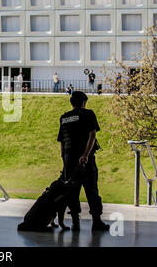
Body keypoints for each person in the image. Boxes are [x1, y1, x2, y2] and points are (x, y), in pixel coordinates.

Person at [57, 91, 110, 231]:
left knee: (72, 191)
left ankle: (75, 222)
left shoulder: (64, 118)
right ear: (83, 102)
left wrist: (64, 161)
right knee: (91, 189)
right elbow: (92, 135)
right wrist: (86, 155)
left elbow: (62, 142)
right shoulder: (88, 114)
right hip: (85, 160)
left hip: (69, 160)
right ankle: (96, 222)